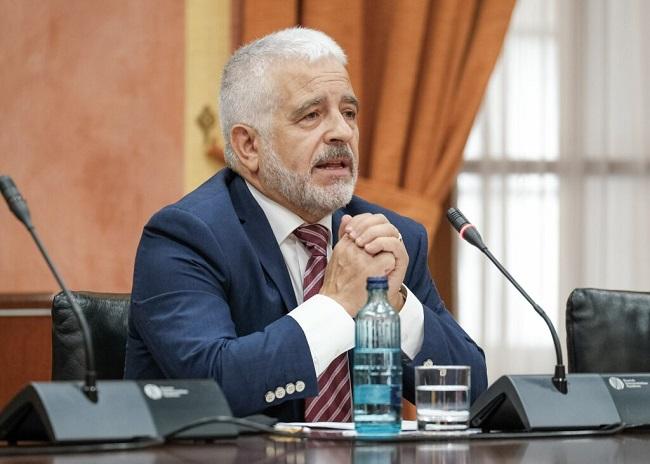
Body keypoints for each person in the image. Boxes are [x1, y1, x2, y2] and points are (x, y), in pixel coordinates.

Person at [124, 27, 487, 422]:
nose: (342, 132)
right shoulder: (187, 236)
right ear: (249, 146)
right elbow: (211, 388)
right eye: (311, 115)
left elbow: (475, 397)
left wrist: (397, 306)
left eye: (349, 113)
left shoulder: (392, 238)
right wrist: (336, 305)